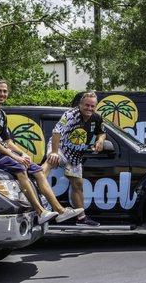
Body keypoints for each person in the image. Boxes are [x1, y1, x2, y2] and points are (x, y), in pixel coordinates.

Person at [0, 80, 83, 224]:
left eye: (5, 91)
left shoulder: (2, 115)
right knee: (21, 168)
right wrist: (15, 157)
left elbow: (8, 141)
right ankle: (40, 211)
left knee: (37, 170)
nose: (2, 94)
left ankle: (60, 211)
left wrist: (22, 154)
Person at [46, 92, 106, 226]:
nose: (89, 108)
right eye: (87, 105)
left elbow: (101, 133)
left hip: (75, 156)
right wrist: (54, 152)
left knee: (77, 185)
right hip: (60, 148)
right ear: (80, 105)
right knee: (49, 162)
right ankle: (41, 203)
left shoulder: (96, 118)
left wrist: (100, 141)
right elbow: (56, 132)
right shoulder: (70, 115)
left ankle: (81, 218)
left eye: (92, 106)